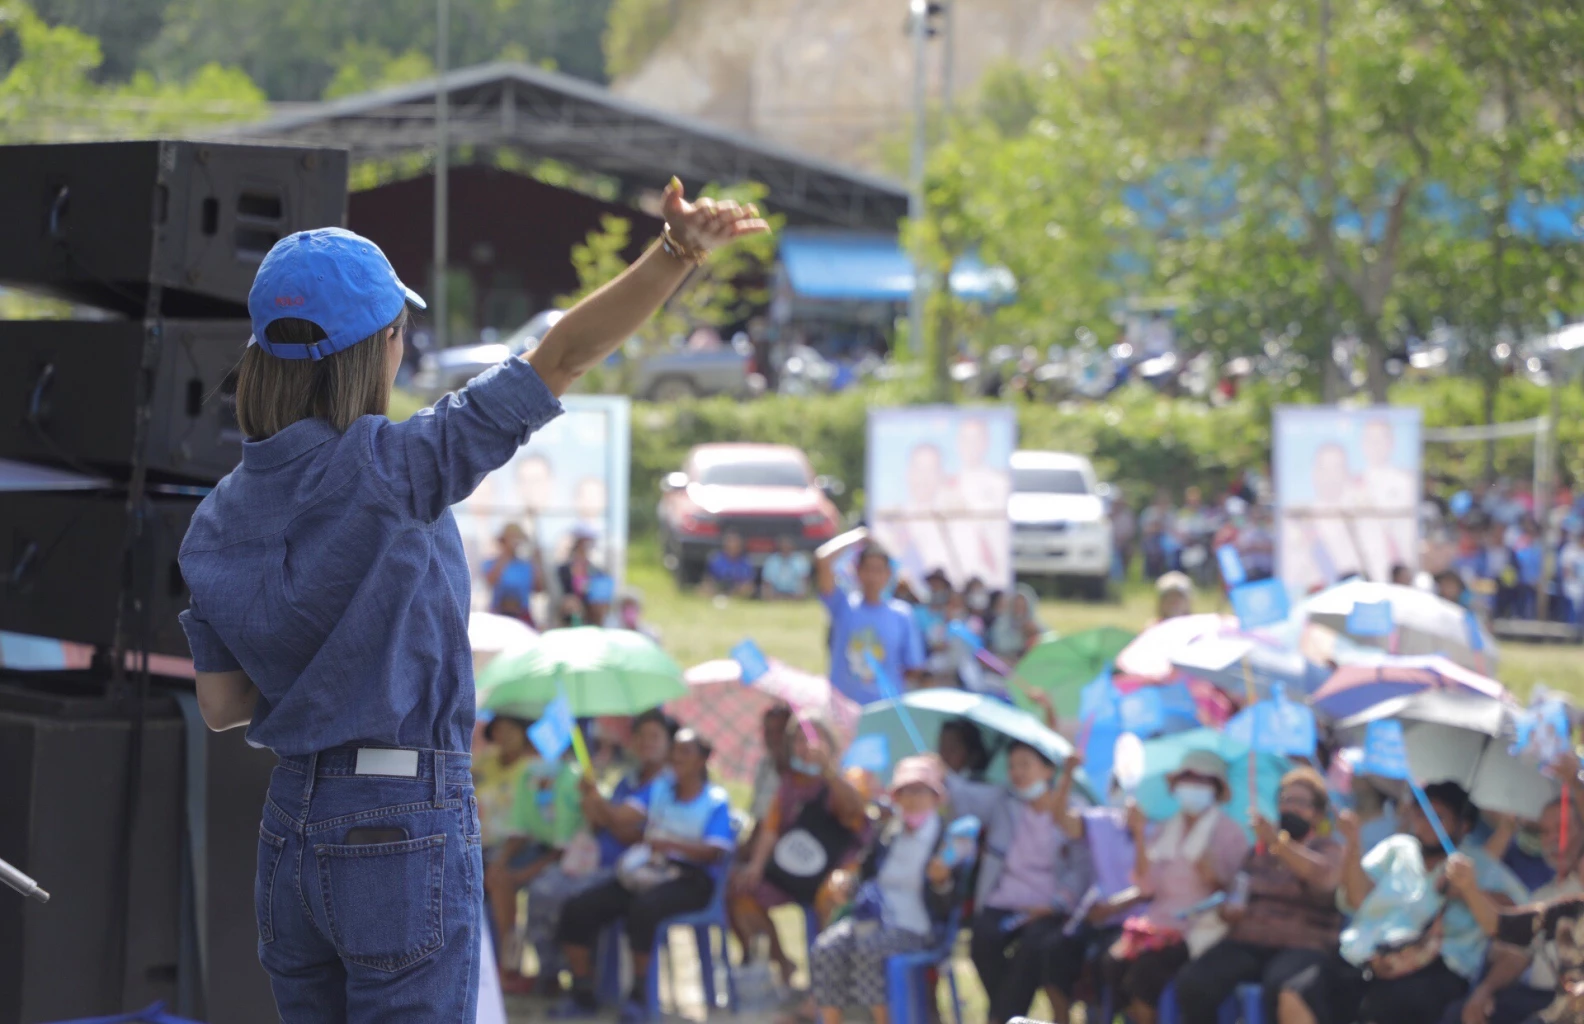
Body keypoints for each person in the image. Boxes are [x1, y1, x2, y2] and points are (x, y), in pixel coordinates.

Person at [176, 188, 765, 1022]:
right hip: (399, 824)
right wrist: (674, 251)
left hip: (290, 830)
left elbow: (222, 704)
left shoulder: (218, 517)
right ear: (378, 347)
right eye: (399, 333)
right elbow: (557, 358)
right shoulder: (393, 469)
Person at [552, 729, 735, 1022]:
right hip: (647, 872)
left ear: (702, 760)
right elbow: (617, 818)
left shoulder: (715, 800)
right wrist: (595, 797)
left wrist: (670, 845)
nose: (676, 758)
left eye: (685, 752)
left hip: (692, 880)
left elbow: (714, 851)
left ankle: (638, 996)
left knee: (644, 909)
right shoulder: (659, 788)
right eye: (674, 751)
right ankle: (583, 993)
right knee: (578, 907)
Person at [1337, 781, 1529, 1024]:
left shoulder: (1482, 866)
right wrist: (1353, 844)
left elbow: (1511, 920)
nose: (1427, 825)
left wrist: (1469, 890)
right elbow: (1356, 899)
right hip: (1365, 957)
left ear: (1464, 825)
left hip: (1436, 973)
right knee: (1311, 982)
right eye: (1421, 815)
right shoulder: (1397, 848)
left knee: (1394, 1003)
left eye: (1438, 817)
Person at [1172, 768, 1348, 1024]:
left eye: (1300, 802)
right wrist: (1229, 910)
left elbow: (1324, 878)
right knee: (1194, 981)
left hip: (1302, 946)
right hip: (1248, 942)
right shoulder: (1259, 852)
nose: (1290, 808)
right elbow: (1237, 894)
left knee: (1285, 987)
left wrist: (1278, 842)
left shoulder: (1327, 848)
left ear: (1317, 813)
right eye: (1285, 800)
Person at [523, 709, 677, 996]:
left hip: (625, 874)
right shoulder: (628, 781)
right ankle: (552, 973)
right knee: (542, 889)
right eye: (641, 736)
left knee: (568, 899)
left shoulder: (666, 786)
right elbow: (601, 822)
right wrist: (592, 799)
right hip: (595, 862)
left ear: (669, 743)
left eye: (655, 737)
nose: (647, 743)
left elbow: (622, 826)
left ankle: (581, 980)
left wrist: (601, 805)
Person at [810, 756, 972, 1024]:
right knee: (826, 948)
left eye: (920, 791)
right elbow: (864, 876)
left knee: (867, 949)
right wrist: (845, 883)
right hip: (873, 920)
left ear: (935, 796)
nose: (912, 798)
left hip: (917, 927)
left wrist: (941, 882)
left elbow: (950, 906)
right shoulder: (888, 833)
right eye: (905, 792)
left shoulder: (946, 840)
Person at [1096, 749, 1250, 1024]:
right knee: (1112, 963)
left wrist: (1214, 876)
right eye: (1188, 779)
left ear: (1215, 789)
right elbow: (1146, 885)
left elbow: (1237, 896)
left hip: (1198, 932)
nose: (1193, 787)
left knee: (1146, 972)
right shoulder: (1165, 829)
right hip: (1155, 924)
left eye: (1202, 781)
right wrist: (1140, 836)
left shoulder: (1231, 833)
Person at [963, 743, 1097, 1024]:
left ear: (1048, 770)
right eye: (1012, 766)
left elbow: (1081, 866)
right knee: (982, 943)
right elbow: (965, 797)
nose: (1017, 773)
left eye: (1025, 764)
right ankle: (1005, 1015)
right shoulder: (1005, 804)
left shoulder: (1073, 810)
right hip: (1004, 900)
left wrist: (1056, 903)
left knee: (1034, 949)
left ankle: (1001, 1017)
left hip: (1048, 907)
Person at [731, 716, 869, 985]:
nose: (806, 746)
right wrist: (756, 866)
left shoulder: (850, 776)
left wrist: (828, 772)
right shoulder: (788, 783)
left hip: (837, 870)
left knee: (832, 898)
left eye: (814, 738)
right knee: (740, 891)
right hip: (793, 871)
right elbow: (771, 828)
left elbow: (854, 810)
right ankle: (780, 962)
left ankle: (832, 986)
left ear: (830, 743)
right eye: (799, 739)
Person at [1441, 796, 1576, 1024]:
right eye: (1544, 831)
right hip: (1535, 997)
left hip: (1569, 1002)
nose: (1553, 839)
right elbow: (1512, 944)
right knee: (1460, 1013)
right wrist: (1483, 993)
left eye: (1562, 828)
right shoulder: (1543, 896)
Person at [490, 744, 584, 992]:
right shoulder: (528, 776)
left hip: (574, 856)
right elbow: (519, 829)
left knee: (541, 894)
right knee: (497, 879)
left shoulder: (571, 780)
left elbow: (562, 848)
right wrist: (501, 863)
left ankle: (551, 973)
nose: (537, 757)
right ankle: (509, 964)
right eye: (533, 750)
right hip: (539, 849)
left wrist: (523, 873)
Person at [815, 530, 926, 705]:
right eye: (867, 569)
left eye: (878, 570)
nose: (873, 577)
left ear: (888, 574)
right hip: (843, 707)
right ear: (857, 572)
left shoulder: (902, 614)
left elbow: (913, 667)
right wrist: (859, 536)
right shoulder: (843, 606)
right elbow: (823, 559)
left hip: (884, 709)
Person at [483, 523, 543, 625]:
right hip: (498, 615)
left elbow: (539, 588)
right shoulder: (490, 563)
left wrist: (536, 559)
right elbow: (490, 582)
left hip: (522, 615)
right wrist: (507, 553)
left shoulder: (526, 565)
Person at [987, 583, 1044, 662]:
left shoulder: (1035, 623)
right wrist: (1021, 637)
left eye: (1022, 606)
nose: (1019, 609)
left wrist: (1034, 634)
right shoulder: (1001, 623)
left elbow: (1048, 641)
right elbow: (999, 644)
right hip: (1006, 661)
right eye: (1016, 605)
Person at [557, 528, 600, 625]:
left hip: (590, 603)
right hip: (569, 602)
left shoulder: (595, 570)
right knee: (572, 604)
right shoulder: (563, 569)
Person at [705, 530, 757, 598]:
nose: (733, 545)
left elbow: (749, 582)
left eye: (736, 543)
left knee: (748, 589)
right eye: (730, 542)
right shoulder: (716, 558)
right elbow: (708, 578)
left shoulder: (746, 561)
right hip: (718, 586)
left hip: (737, 589)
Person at [763, 534, 813, 599]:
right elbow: (767, 581)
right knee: (766, 589)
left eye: (787, 545)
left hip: (795, 592)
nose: (785, 547)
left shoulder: (800, 559)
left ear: (792, 546)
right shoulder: (772, 560)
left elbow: (805, 579)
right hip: (777, 592)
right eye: (783, 545)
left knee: (803, 586)